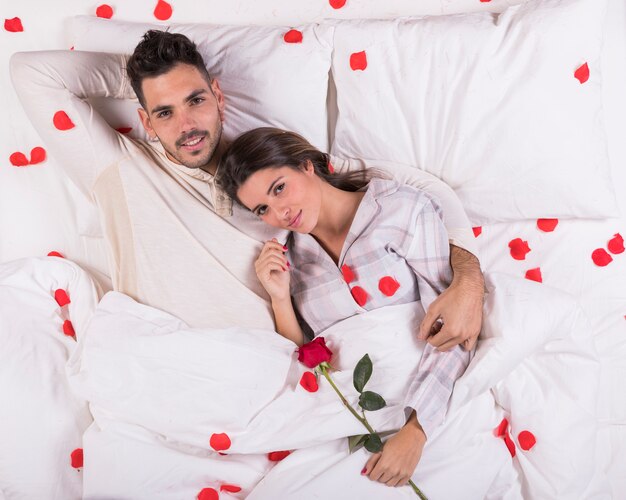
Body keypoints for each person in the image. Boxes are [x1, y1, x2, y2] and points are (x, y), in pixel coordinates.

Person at [9, 30, 483, 343]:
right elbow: (30, 71)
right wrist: (143, 80)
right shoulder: (118, 169)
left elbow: (422, 187)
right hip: (163, 357)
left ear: (218, 94)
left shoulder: (275, 172)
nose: (188, 124)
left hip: (280, 365)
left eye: (195, 99)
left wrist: (468, 279)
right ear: (145, 121)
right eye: (165, 112)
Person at [217, 127, 472, 488]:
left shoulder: (403, 210)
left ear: (307, 165)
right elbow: (308, 359)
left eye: (279, 188)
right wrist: (279, 297)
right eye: (263, 209)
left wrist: (417, 430)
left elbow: (455, 330)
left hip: (432, 409)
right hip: (347, 419)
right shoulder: (293, 260)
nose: (280, 212)